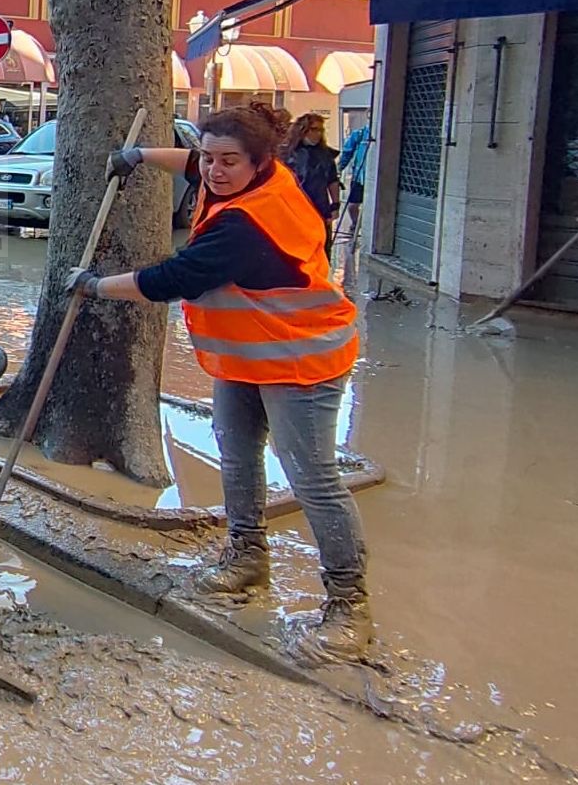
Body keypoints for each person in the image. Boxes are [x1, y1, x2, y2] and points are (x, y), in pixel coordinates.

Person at [97, 104, 368, 664]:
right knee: (237, 453)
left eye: (228, 162)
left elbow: (173, 279)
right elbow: (193, 166)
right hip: (251, 355)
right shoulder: (246, 174)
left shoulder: (248, 223)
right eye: (209, 158)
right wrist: (142, 156)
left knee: (313, 477)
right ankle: (246, 557)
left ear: (260, 162)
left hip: (301, 358)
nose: (214, 171)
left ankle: (349, 606)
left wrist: (94, 286)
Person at [282, 112, 341, 251]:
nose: (318, 134)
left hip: (319, 206)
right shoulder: (286, 154)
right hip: (293, 207)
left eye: (321, 130)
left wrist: (335, 205)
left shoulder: (325, 155)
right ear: (303, 130)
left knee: (320, 248)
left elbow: (332, 180)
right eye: (314, 129)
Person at [337, 122, 372, 241]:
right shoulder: (359, 135)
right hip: (359, 176)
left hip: (374, 179)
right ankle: (355, 224)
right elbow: (347, 152)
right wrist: (339, 168)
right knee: (352, 205)